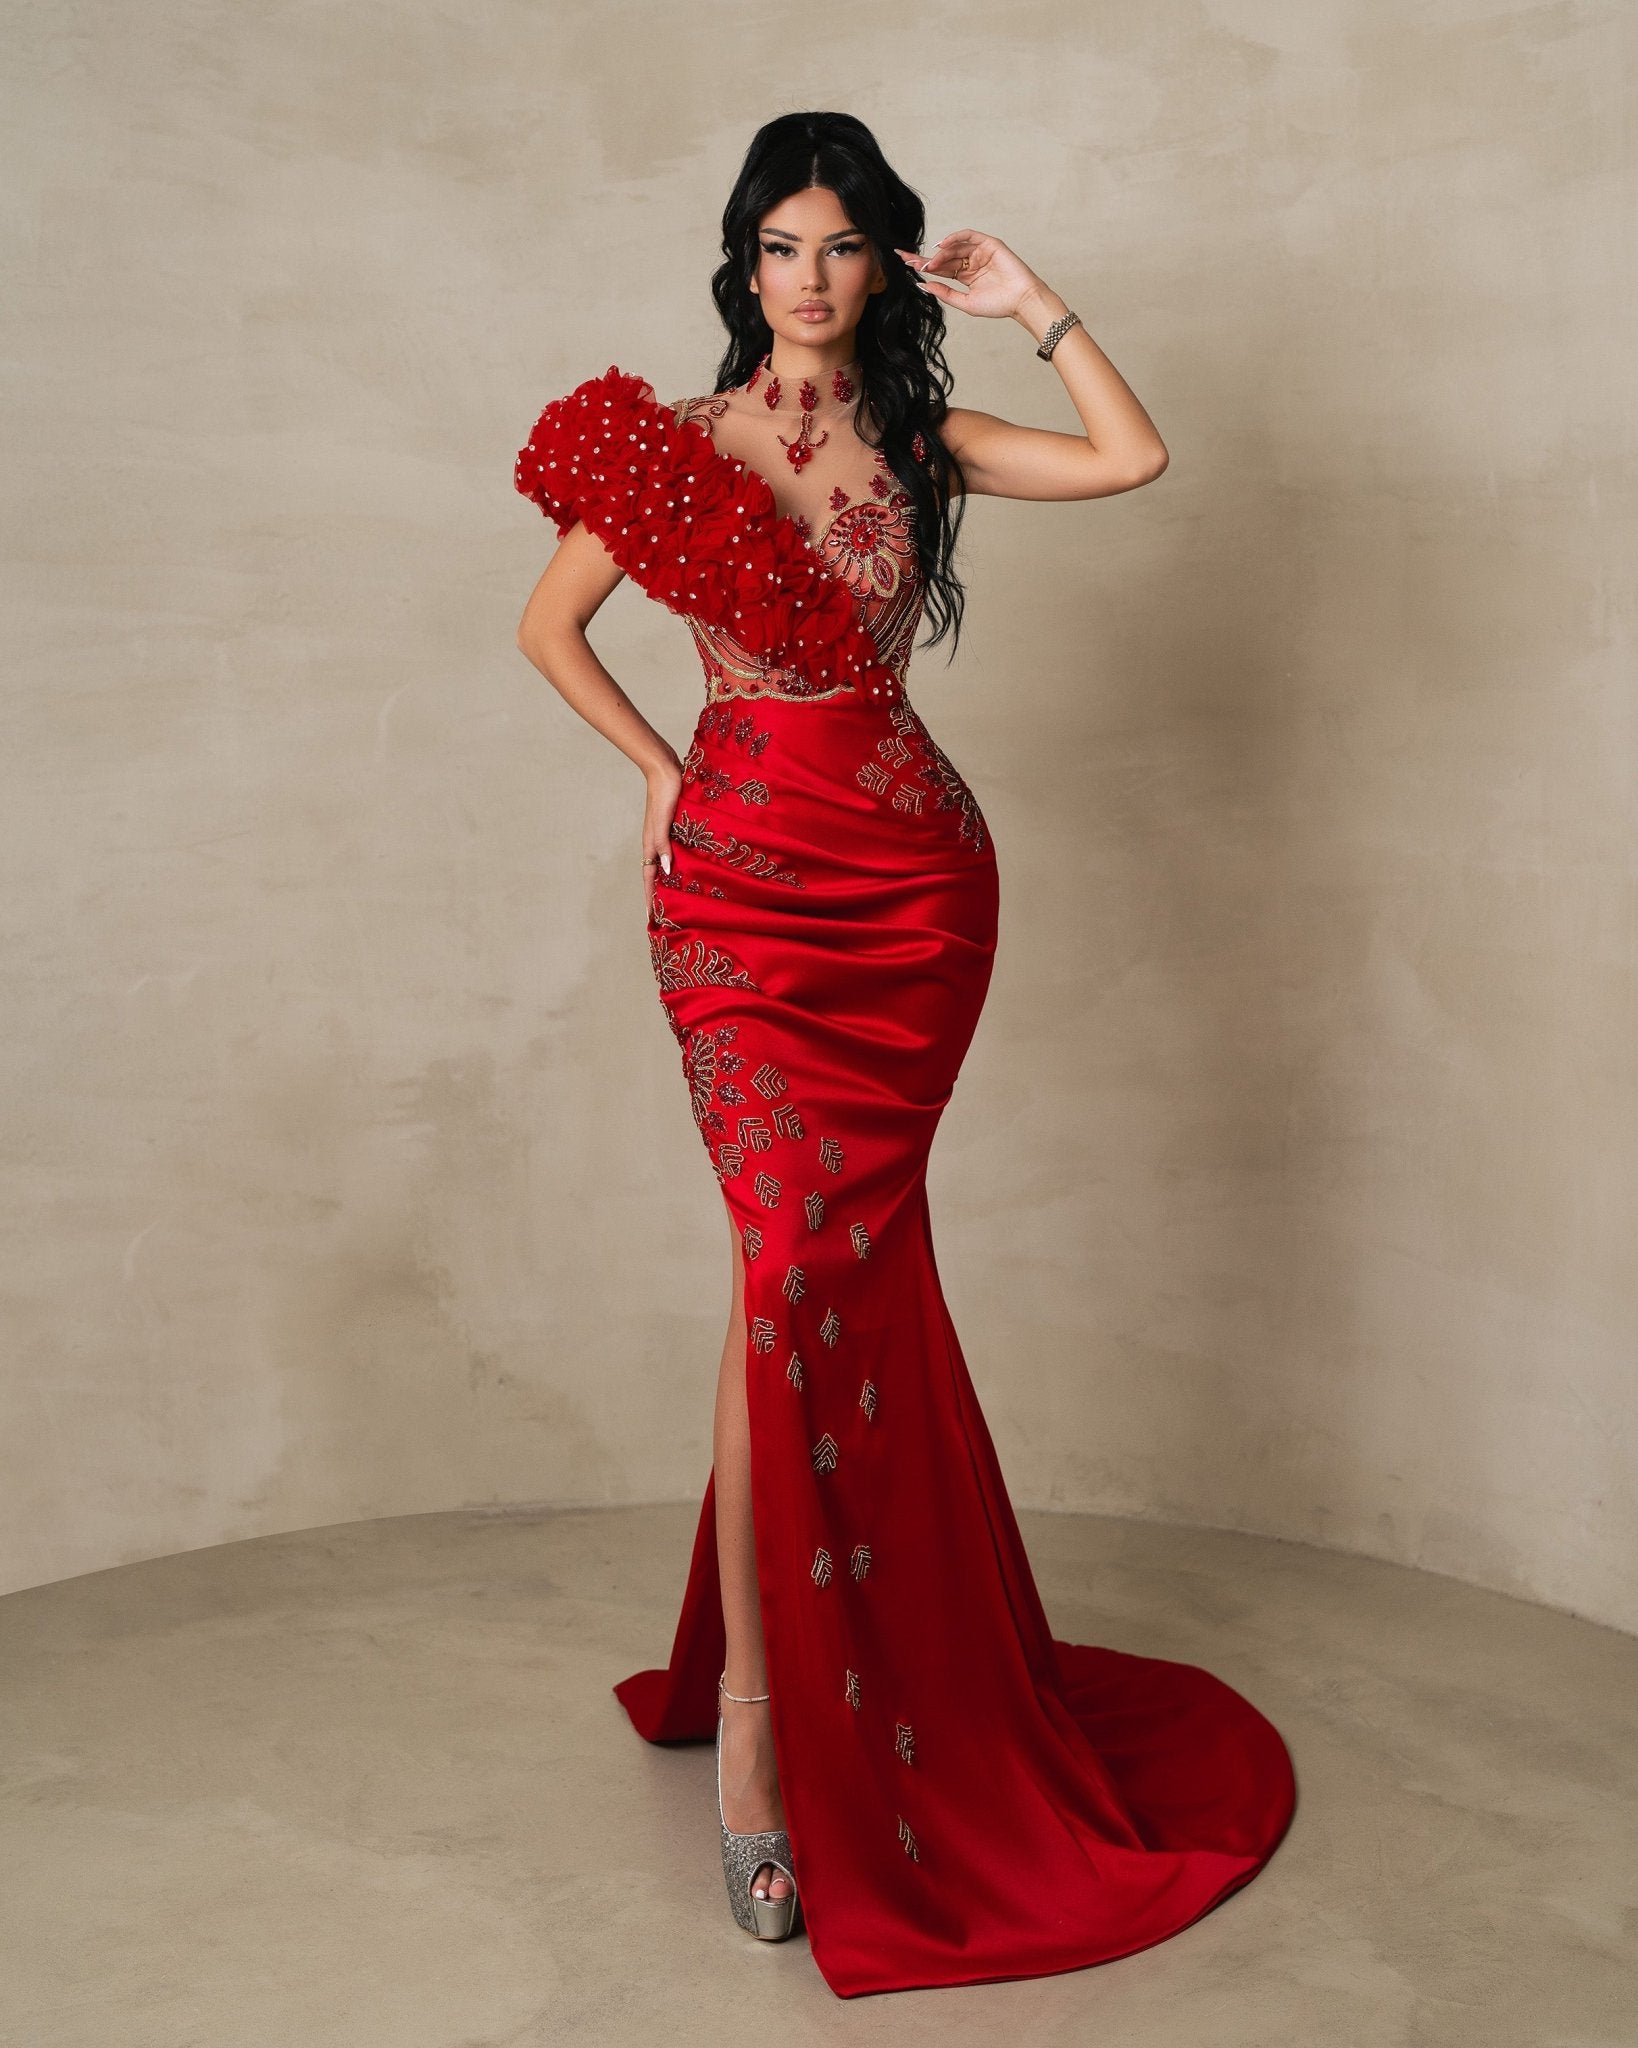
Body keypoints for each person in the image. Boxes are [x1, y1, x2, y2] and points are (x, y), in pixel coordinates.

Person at [513, 110, 1296, 2000]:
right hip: (736, 896)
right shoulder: (672, 446)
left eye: (843, 244)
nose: (809, 277)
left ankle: (792, 1687)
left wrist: (1035, 302)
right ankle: (760, 1723)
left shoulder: (924, 442)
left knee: (810, 1273)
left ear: (882, 264)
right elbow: (545, 628)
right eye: (781, 245)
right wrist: (658, 773)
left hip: (911, 891)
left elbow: (1131, 456)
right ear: (741, 263)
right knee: (784, 1262)